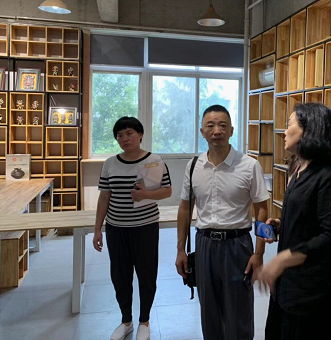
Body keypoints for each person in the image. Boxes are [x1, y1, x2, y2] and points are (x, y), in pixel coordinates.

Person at [175, 104, 270, 340]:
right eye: (210, 125)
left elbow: (262, 210)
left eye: (222, 125)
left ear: (231, 131)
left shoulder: (249, 165)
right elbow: (185, 208)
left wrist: (259, 254)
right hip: (204, 245)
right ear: (202, 131)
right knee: (209, 311)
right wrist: (180, 250)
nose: (216, 131)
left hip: (238, 246)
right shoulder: (194, 166)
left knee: (239, 311)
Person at [258, 102, 331, 340]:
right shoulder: (299, 171)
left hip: (314, 296)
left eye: (289, 124)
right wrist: (281, 226)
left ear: (308, 131)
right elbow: (308, 221)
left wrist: (283, 259)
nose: (284, 132)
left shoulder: (329, 179)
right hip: (289, 287)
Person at [93, 117, 172, 340]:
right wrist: (98, 229)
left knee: (147, 275)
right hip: (116, 229)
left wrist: (146, 194)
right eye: (120, 135)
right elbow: (104, 197)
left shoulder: (155, 161)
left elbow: (167, 191)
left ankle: (144, 321)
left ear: (140, 135)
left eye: (129, 133)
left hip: (145, 227)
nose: (124, 139)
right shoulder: (110, 163)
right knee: (120, 276)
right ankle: (126, 321)